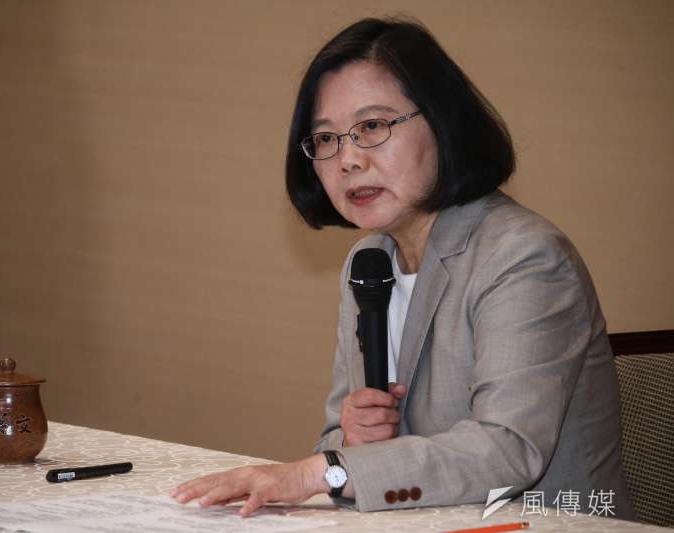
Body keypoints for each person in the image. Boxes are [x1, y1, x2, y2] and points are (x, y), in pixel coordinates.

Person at [171, 17, 633, 519]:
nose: (348, 159)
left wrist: (315, 473)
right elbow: (337, 445)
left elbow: (507, 449)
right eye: (325, 139)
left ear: (443, 125)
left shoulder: (523, 256)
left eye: (372, 126)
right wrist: (353, 437)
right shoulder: (370, 261)